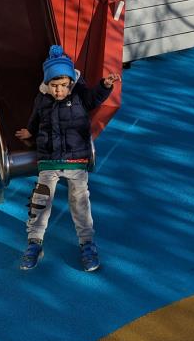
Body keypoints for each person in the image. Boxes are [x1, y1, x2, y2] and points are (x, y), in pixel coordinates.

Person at [15, 44, 121, 272]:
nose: (59, 91)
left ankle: (87, 243)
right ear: (47, 84)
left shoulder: (80, 95)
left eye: (63, 86)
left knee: (80, 202)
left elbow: (94, 98)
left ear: (71, 83)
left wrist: (105, 86)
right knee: (40, 201)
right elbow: (35, 119)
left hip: (75, 161)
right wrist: (29, 132)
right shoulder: (42, 99)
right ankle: (34, 242)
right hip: (49, 161)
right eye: (54, 86)